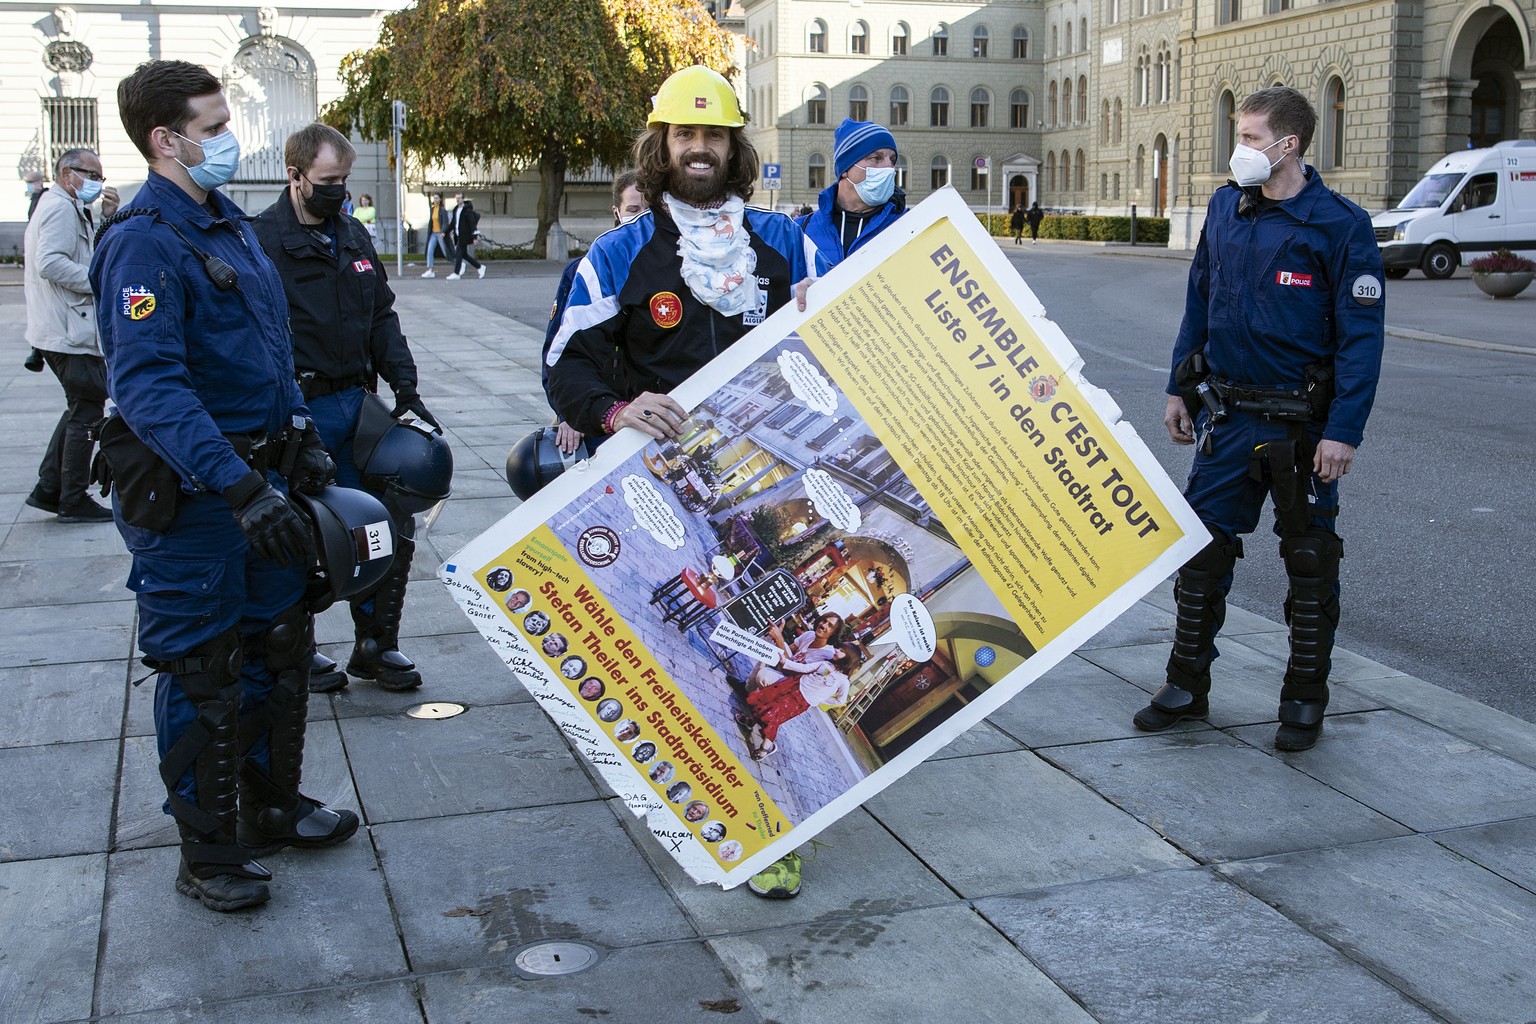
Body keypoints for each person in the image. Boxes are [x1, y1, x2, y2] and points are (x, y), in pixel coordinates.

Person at [91, 60, 359, 912]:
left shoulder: (228, 227)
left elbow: (273, 352)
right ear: (164, 140)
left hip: (266, 479)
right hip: (200, 499)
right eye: (210, 127)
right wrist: (239, 486)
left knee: (277, 652)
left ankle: (271, 807)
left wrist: (303, 439)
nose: (225, 136)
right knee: (202, 668)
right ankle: (208, 850)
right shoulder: (142, 240)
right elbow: (151, 388)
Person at [544, 64, 809, 899]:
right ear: (660, 144)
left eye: (715, 134)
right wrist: (616, 412)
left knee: (764, 662)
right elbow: (563, 361)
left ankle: (770, 828)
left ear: (736, 146)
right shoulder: (618, 252)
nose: (700, 148)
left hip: (767, 499)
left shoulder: (789, 244)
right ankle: (721, 808)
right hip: (657, 498)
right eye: (685, 134)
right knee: (686, 658)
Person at [1133, 86, 1385, 753]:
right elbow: (1199, 303)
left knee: (1309, 561)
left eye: (1248, 137)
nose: (1237, 148)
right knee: (1201, 552)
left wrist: (1344, 431)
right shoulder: (1226, 207)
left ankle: (1304, 697)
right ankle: (1186, 684)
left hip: (1304, 424)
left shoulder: (1339, 224)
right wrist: (1178, 388)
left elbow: (1362, 340)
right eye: (1239, 135)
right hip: (1229, 414)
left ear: (1288, 144)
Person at [252, 122, 438, 693]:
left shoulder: (352, 236)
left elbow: (382, 316)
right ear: (295, 176)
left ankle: (376, 644)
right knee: (298, 534)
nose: (340, 190)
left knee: (383, 523)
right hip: (294, 411)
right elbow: (256, 340)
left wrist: (406, 388)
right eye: (329, 180)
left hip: (358, 406)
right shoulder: (258, 241)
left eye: (345, 179)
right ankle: (295, 648)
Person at [23, 147, 119, 522]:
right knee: (87, 413)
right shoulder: (61, 206)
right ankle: (73, 499)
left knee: (79, 407)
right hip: (68, 329)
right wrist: (98, 282)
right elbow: (51, 262)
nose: (97, 182)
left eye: (100, 176)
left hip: (63, 328)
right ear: (67, 174)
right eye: (91, 174)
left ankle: (50, 488)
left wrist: (108, 218)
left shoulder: (65, 204)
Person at [542, 170, 647, 457]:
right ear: (617, 213)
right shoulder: (583, 270)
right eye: (633, 210)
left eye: (649, 209)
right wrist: (570, 414)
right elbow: (558, 353)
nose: (641, 218)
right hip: (602, 414)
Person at [797, 118, 905, 276]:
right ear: (846, 168)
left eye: (892, 160)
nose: (888, 167)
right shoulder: (801, 230)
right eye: (876, 158)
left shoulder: (909, 226)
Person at [738, 644, 863, 760]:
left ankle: (766, 748)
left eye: (842, 651)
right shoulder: (826, 666)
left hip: (801, 702)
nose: (836, 650)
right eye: (839, 648)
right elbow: (805, 668)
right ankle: (751, 721)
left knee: (775, 717)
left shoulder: (843, 681)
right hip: (792, 686)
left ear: (848, 659)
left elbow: (840, 699)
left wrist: (820, 699)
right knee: (767, 702)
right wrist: (785, 662)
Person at [446, 194, 483, 280]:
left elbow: (472, 224)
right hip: (458, 235)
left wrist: (474, 237)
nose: (457, 200)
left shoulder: (467, 210)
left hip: (465, 236)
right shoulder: (456, 210)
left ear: (463, 199)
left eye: (459, 198)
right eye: (456, 198)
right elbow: (453, 223)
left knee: (458, 253)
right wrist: (445, 232)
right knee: (464, 255)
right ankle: (480, 267)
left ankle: (456, 273)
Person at [421, 192, 454, 277]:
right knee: (430, 251)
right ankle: (430, 270)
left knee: (446, 251)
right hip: (433, 233)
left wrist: (443, 232)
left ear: (440, 199)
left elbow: (445, 222)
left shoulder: (442, 210)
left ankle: (457, 266)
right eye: (434, 198)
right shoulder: (432, 209)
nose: (435, 200)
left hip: (440, 234)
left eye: (437, 198)